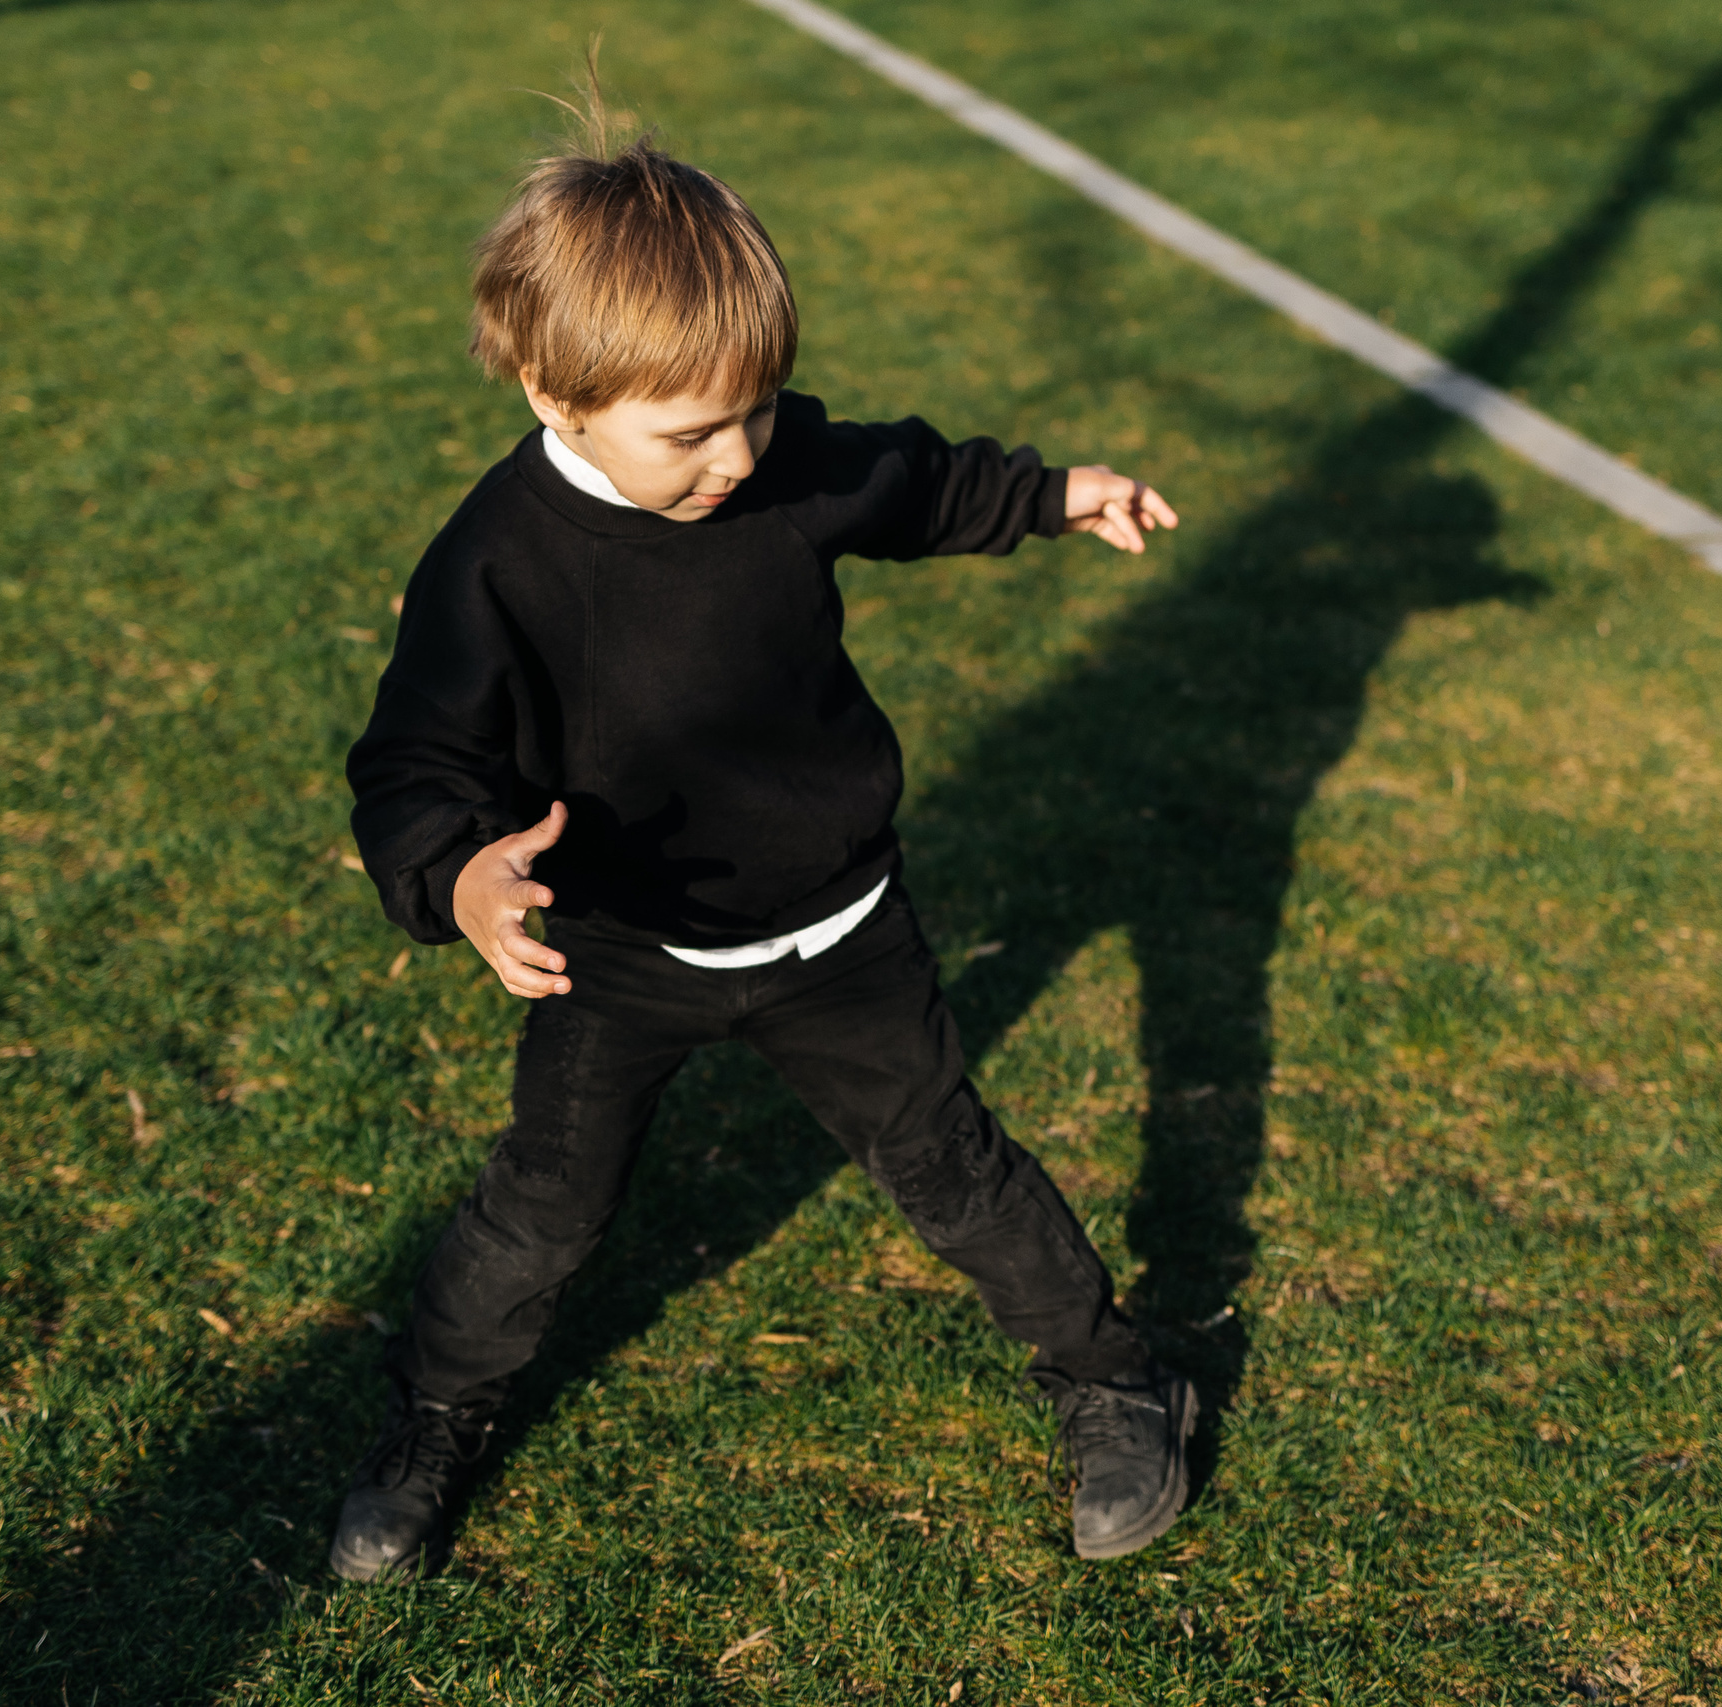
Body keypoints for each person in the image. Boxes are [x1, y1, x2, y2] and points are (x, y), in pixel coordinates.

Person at [336, 73, 1187, 1582]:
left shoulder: (775, 464)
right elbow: (413, 762)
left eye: (756, 412)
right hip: (619, 946)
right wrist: (459, 881)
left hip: (840, 932)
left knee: (953, 1167)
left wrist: (1051, 496)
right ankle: (438, 1412)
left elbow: (906, 477)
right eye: (688, 433)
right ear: (553, 393)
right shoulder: (494, 564)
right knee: (541, 1211)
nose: (735, 459)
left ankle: (1115, 1377)